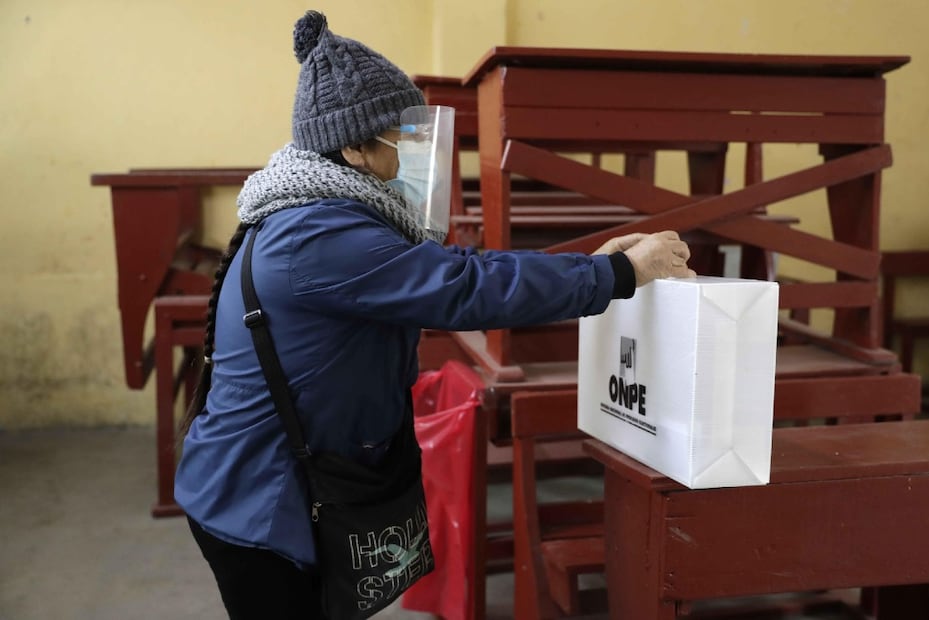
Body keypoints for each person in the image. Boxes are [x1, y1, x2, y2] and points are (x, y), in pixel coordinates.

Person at [174, 9, 696, 620]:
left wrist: (594, 267)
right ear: (354, 147)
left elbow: (455, 269)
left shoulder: (321, 211)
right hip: (259, 505)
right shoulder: (318, 234)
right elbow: (463, 287)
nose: (414, 156)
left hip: (279, 483)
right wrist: (617, 276)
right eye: (401, 139)